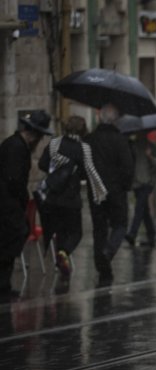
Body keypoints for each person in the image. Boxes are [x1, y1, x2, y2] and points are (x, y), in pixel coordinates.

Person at [36, 115, 107, 278]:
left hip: (53, 197)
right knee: (76, 232)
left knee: (61, 231)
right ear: (83, 130)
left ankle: (63, 265)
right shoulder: (84, 148)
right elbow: (88, 172)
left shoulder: (55, 143)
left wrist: (57, 172)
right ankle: (64, 252)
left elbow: (42, 164)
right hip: (71, 199)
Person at [0, 110, 52, 298]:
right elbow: (14, 179)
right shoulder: (16, 147)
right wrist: (21, 197)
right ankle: (2, 284)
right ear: (34, 135)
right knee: (13, 238)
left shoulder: (15, 145)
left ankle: (4, 284)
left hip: (9, 204)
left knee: (12, 238)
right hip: (8, 204)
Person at [85, 103, 134, 284]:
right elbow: (127, 167)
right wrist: (125, 186)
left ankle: (102, 267)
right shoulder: (120, 140)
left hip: (95, 190)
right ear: (115, 120)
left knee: (99, 228)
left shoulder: (90, 139)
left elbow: (85, 164)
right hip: (116, 190)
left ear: (99, 117)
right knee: (120, 224)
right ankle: (109, 251)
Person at [125, 131, 156, 248]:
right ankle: (151, 235)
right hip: (136, 183)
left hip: (147, 183)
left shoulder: (152, 147)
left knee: (139, 207)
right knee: (144, 210)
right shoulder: (132, 146)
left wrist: (150, 156)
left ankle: (132, 233)